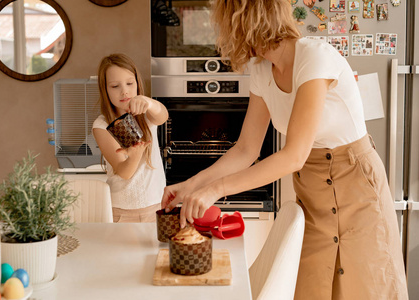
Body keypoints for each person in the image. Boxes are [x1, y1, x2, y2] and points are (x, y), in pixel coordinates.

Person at [160, 0, 408, 299]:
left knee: (366, 287)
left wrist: (215, 190)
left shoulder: (314, 58)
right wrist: (192, 185)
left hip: (357, 190)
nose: (223, 34)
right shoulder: (262, 69)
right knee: (311, 289)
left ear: (245, 22)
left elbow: (294, 155)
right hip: (314, 195)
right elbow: (246, 149)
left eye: (226, 23)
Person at [93, 53, 168, 223]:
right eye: (115, 86)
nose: (124, 91)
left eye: (129, 83)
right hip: (121, 211)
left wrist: (149, 103)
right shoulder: (102, 125)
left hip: (156, 205)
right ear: (105, 89)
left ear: (137, 84)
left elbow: (162, 116)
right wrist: (134, 156)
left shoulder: (146, 114)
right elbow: (124, 172)